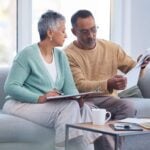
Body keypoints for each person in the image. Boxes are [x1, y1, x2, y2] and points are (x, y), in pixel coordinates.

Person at [2, 10, 98, 150]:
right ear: (50, 32)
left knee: (85, 109)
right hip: (20, 104)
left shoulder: (61, 56)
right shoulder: (27, 54)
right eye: (63, 31)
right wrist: (40, 97)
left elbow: (69, 88)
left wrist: (78, 98)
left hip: (45, 105)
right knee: (70, 108)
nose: (66, 35)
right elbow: (10, 87)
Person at [64, 9, 148, 150]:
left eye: (93, 29)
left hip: (109, 99)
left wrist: (141, 65)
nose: (91, 36)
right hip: (85, 100)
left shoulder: (111, 47)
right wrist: (108, 83)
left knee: (129, 107)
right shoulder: (68, 54)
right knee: (94, 116)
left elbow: (131, 68)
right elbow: (80, 85)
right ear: (74, 32)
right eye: (84, 32)